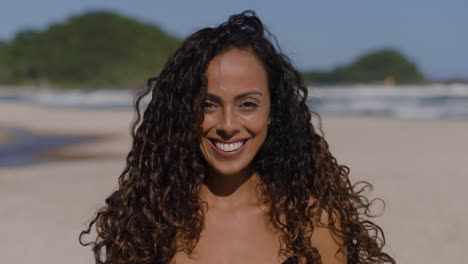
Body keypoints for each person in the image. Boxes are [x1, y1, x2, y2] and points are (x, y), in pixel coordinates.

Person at [80, 10, 395, 264]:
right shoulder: (145, 224)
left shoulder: (314, 221)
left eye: (248, 104)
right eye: (208, 104)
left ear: (273, 111)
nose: (228, 125)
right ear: (183, 114)